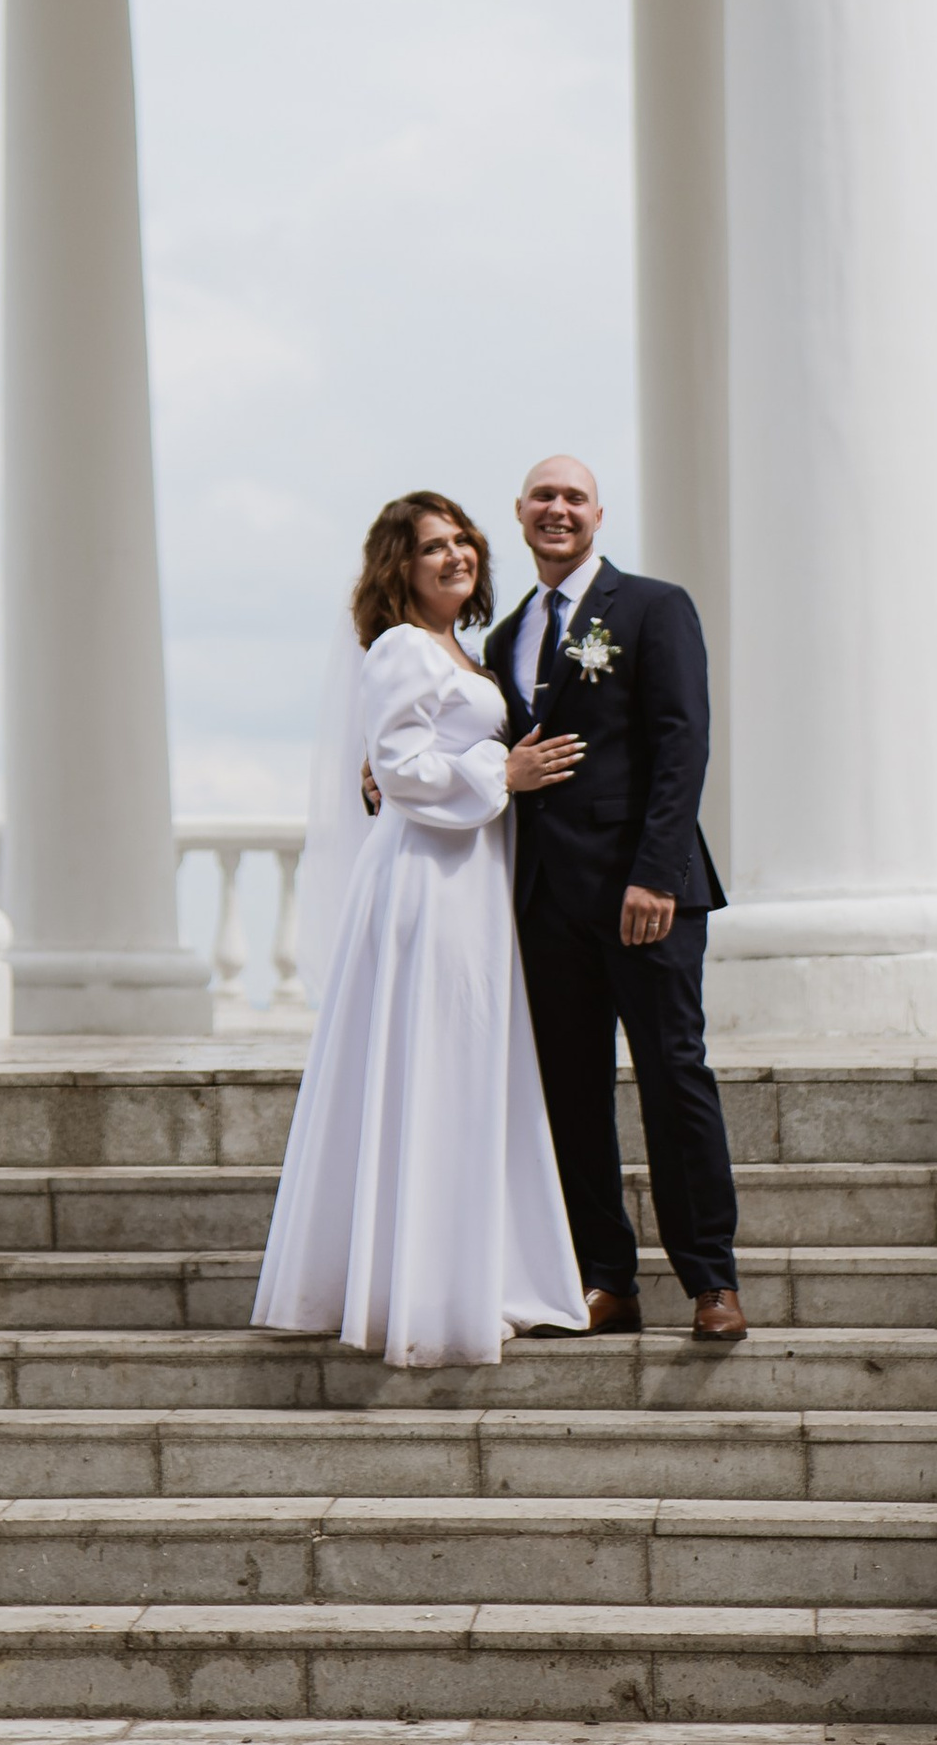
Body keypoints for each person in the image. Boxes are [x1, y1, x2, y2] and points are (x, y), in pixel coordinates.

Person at [253, 493, 588, 1367]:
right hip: (429, 886)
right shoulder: (402, 647)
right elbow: (401, 772)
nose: (456, 557)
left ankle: (470, 1272)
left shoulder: (464, 652)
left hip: (472, 882)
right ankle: (423, 1290)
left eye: (464, 542)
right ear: (399, 567)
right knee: (435, 1063)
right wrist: (502, 769)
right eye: (434, 547)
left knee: (469, 1067)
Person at [487, 455, 745, 1342]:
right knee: (571, 1091)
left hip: (647, 896)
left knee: (675, 1079)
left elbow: (683, 747)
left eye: (573, 498)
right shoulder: (505, 636)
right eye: (541, 497)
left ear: (600, 513)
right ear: (519, 515)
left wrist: (655, 874)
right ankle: (606, 1279)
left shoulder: (653, 607)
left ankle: (711, 1281)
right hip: (545, 904)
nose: (557, 510)